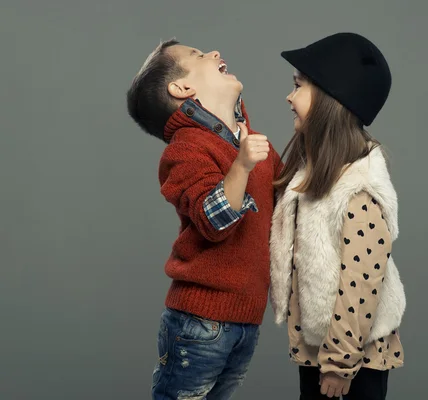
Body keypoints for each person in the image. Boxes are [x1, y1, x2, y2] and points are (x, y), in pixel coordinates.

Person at [126, 38, 282, 400]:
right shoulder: (186, 149)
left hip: (246, 320)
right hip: (199, 321)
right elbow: (214, 220)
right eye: (198, 56)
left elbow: (287, 196)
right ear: (182, 88)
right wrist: (242, 165)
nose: (214, 52)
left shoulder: (250, 139)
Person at [269, 33, 407, 399]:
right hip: (320, 353)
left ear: (331, 101)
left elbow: (361, 284)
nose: (289, 97)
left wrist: (341, 363)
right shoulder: (310, 176)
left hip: (351, 359)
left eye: (297, 86)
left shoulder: (358, 192)